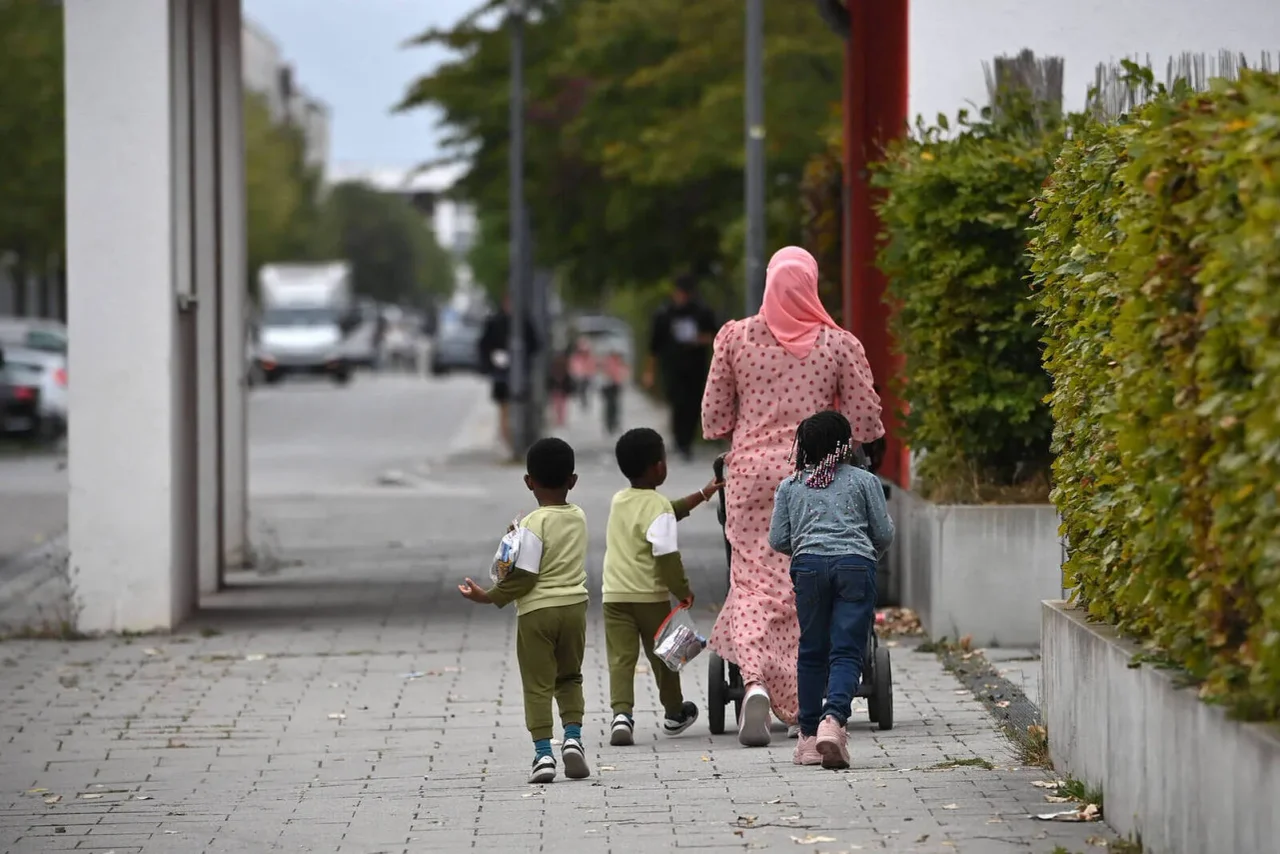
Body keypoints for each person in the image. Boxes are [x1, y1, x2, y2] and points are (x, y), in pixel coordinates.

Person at [701, 245, 883, 747]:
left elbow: (713, 419)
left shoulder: (734, 339)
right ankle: (818, 692)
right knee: (811, 577)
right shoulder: (838, 344)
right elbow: (866, 422)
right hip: (817, 477)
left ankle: (757, 681)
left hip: (752, 481)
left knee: (755, 582)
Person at [457, 438, 591, 784]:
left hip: (537, 613)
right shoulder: (578, 516)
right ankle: (573, 737)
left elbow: (526, 575)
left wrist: (489, 596)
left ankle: (544, 755)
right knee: (570, 676)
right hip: (574, 607)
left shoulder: (532, 523)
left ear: (529, 481)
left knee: (537, 684)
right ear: (572, 481)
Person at [769, 411, 895, 769]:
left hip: (808, 568)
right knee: (847, 650)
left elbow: (778, 538)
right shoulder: (863, 481)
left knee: (811, 649)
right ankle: (833, 720)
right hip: (855, 565)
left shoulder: (791, 486)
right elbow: (883, 533)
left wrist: (809, 551)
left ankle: (808, 738)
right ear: (844, 446)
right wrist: (868, 554)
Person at [603, 427, 724, 746]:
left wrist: (704, 493)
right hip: (650, 598)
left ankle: (621, 716)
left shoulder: (620, 500)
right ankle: (674, 712)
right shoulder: (658, 507)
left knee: (621, 658)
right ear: (659, 467)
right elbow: (666, 555)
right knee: (665, 655)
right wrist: (682, 589)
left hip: (614, 596)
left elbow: (669, 511)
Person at [645, 275, 719, 460]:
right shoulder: (664, 314)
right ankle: (679, 441)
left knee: (693, 404)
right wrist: (650, 371)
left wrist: (701, 339)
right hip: (672, 368)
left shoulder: (701, 312)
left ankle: (687, 441)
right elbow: (654, 346)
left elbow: (716, 335)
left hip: (695, 366)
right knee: (677, 402)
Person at [478, 296, 539, 453]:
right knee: (504, 408)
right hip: (501, 373)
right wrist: (492, 360)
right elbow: (484, 346)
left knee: (519, 406)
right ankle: (509, 442)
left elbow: (535, 344)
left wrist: (522, 357)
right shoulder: (495, 322)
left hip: (520, 373)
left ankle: (516, 440)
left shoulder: (524, 322)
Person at [598, 348, 629, 436]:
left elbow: (623, 373)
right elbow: (603, 373)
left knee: (615, 405)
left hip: (616, 386)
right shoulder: (607, 362)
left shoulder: (619, 362)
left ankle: (615, 423)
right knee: (609, 406)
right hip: (608, 386)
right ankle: (609, 424)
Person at [568, 337, 596, 412]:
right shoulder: (575, 358)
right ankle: (582, 402)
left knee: (586, 390)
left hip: (587, 377)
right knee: (581, 390)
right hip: (579, 377)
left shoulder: (589, 358)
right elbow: (573, 367)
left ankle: (585, 402)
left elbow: (592, 367)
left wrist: (590, 374)